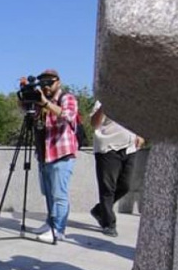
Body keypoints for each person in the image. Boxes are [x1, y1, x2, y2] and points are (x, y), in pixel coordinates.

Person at [32, 69, 79, 243]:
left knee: (59, 194)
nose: (46, 87)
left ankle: (59, 230)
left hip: (61, 153)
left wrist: (46, 104)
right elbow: (27, 113)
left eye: (49, 83)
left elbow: (68, 115)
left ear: (58, 82)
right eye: (42, 83)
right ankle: (50, 223)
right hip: (44, 153)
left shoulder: (67, 97)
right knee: (49, 194)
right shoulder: (41, 101)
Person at [89, 101, 145, 237]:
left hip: (129, 147)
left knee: (126, 186)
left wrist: (141, 135)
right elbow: (94, 123)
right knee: (107, 188)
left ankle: (99, 210)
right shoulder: (102, 101)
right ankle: (109, 224)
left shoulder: (131, 99)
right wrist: (104, 106)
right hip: (108, 148)